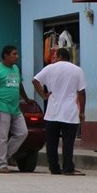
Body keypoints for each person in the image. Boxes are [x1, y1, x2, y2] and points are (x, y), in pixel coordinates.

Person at [33, 46, 87, 175]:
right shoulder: (77, 70)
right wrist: (82, 111)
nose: (54, 58)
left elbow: (35, 81)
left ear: (60, 56)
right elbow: (82, 92)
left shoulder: (49, 68)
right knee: (68, 142)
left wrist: (44, 95)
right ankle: (68, 167)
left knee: (51, 142)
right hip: (70, 112)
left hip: (52, 112)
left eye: (55, 56)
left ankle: (54, 167)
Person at [0, 45, 32, 173]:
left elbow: (19, 84)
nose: (17, 57)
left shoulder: (15, 68)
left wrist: (26, 98)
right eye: (14, 54)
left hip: (15, 108)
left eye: (17, 54)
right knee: (2, 137)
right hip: (1, 107)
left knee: (23, 132)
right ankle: (2, 164)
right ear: (6, 55)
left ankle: (6, 155)